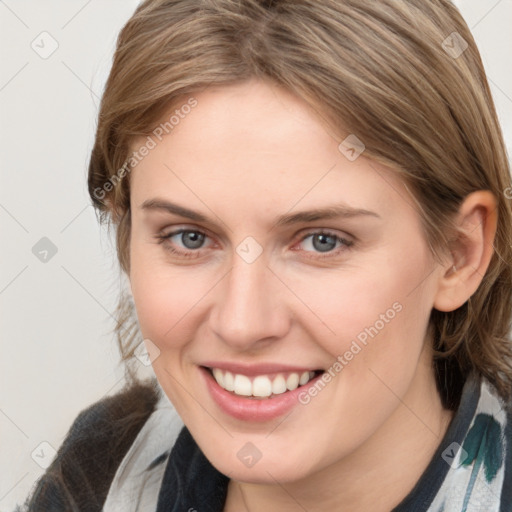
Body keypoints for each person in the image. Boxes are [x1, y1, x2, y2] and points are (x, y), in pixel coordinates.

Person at [15, 0, 512, 510]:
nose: (242, 323)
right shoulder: (98, 473)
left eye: (323, 241)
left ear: (459, 253)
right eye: (188, 237)